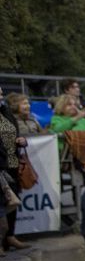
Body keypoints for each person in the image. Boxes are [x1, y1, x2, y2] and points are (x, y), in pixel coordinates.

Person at [0, 90, 30, 251]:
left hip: (12, 162)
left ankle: (10, 236)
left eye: (1, 94)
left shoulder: (6, 112)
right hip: (1, 163)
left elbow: (14, 133)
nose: (1, 97)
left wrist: (21, 141)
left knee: (13, 199)